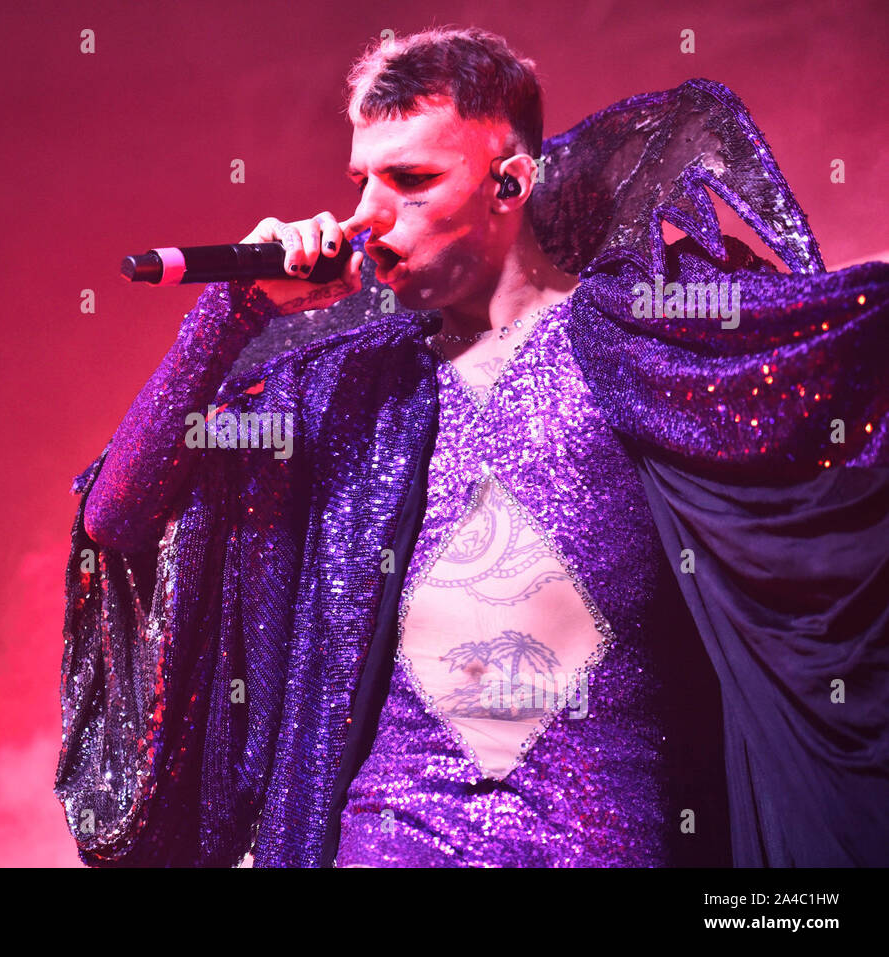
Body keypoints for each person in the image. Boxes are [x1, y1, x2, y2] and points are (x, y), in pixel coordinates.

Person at [55, 26, 889, 867]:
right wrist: (234, 308)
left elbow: (849, 385)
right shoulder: (352, 389)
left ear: (509, 182)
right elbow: (119, 516)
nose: (368, 216)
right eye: (361, 180)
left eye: (411, 180)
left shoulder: (641, 342)